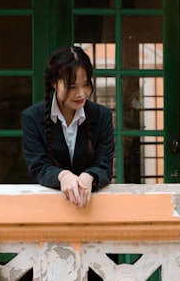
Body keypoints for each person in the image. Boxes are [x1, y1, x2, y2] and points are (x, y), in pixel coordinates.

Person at [21, 46, 115, 208]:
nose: (81, 94)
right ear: (54, 84)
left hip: (93, 208)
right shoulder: (32, 118)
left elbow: (104, 165)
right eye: (72, 87)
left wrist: (89, 176)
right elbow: (38, 166)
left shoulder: (102, 116)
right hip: (46, 207)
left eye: (85, 84)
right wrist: (63, 176)